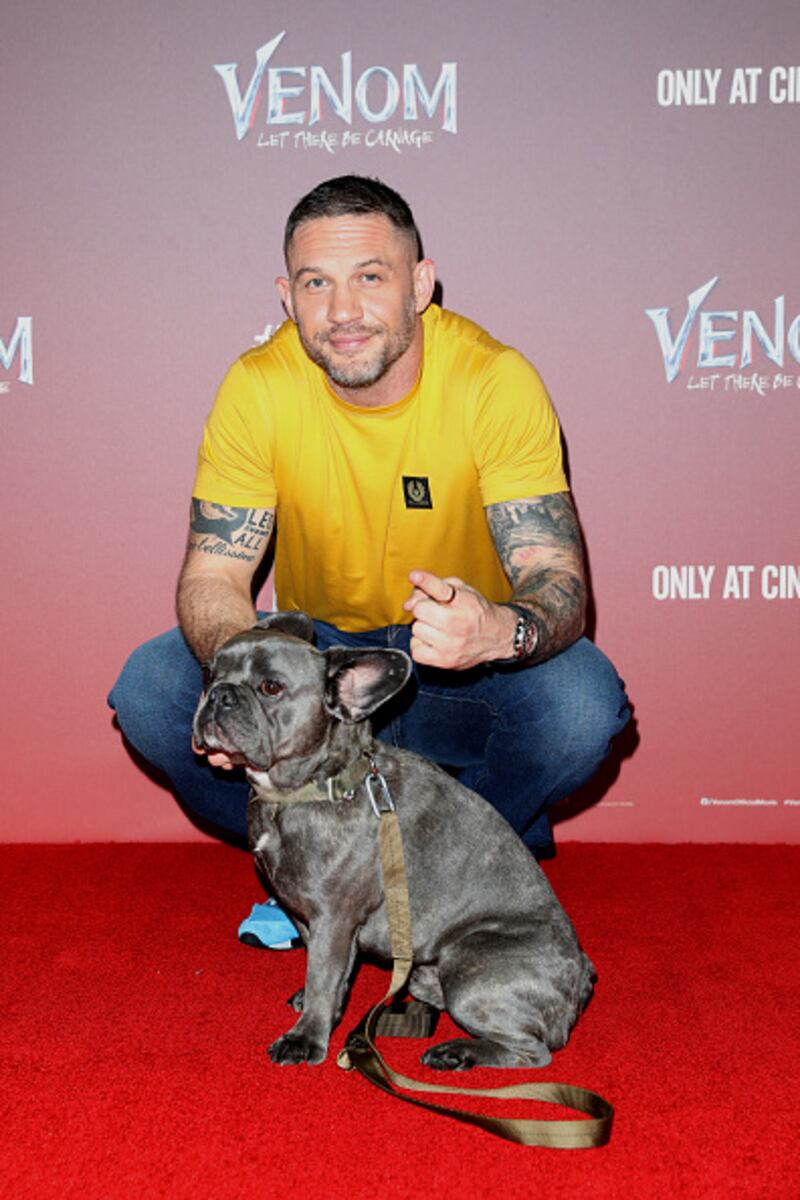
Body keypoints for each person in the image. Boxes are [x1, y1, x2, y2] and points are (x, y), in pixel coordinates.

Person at [109, 175, 630, 948]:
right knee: (153, 690)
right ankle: (310, 860)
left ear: (420, 284)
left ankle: (444, 872)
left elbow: (559, 584)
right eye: (317, 283)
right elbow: (214, 577)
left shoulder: (493, 381)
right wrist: (245, 683)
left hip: (455, 668)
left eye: (371, 278)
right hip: (316, 670)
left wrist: (497, 631)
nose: (343, 311)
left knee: (581, 705)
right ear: (286, 296)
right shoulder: (258, 387)